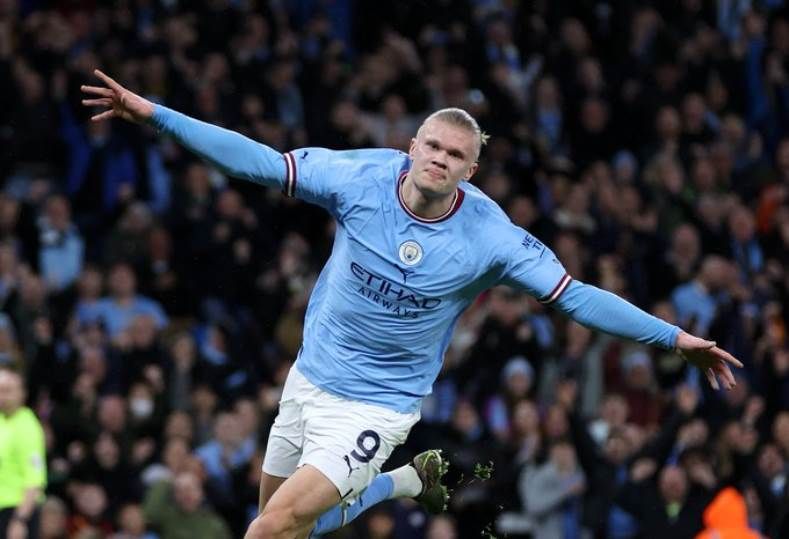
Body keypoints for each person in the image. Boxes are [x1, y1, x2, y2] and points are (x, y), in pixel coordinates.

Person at [82, 69, 743, 539]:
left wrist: (672, 338)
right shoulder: (358, 178)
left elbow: (575, 298)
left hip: (376, 405)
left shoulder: (490, 237)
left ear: (470, 171)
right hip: (309, 377)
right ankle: (403, 482)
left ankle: (395, 475)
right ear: (411, 146)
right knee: (288, 529)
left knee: (267, 529)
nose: (440, 159)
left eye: (456, 155)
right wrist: (154, 114)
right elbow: (256, 162)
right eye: (432, 146)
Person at [0, 369, 47, 539]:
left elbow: (34, 478)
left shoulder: (28, 427)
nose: (2, 396)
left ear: (22, 394)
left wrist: (20, 520)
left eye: (8, 390)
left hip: (16, 510)